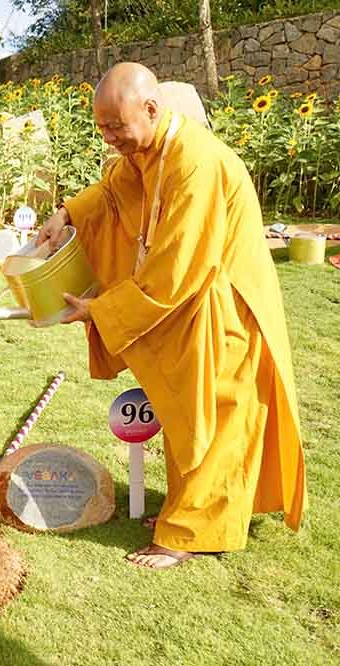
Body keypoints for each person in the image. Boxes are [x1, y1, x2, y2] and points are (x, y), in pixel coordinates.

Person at [38, 62, 306, 569]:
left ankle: (188, 534)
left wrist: (102, 309)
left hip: (225, 303)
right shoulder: (149, 151)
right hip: (191, 298)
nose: (109, 138)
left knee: (217, 412)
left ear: (151, 109)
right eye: (102, 128)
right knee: (185, 408)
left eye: (117, 127)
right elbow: (113, 192)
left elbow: (176, 267)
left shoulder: (196, 162)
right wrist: (66, 213)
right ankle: (188, 510)